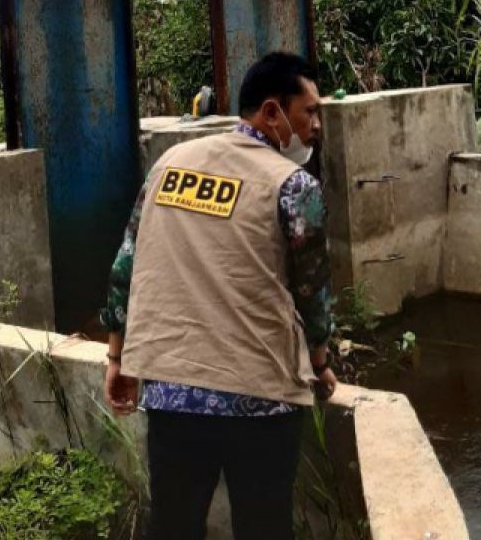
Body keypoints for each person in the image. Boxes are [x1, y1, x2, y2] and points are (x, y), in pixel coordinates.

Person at [101, 51, 337, 540]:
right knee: (264, 528)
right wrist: (320, 359)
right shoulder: (294, 186)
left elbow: (127, 262)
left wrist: (117, 355)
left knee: (173, 527)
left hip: (173, 392)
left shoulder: (169, 165)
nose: (316, 125)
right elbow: (312, 289)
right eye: (308, 111)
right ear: (272, 113)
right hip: (261, 402)